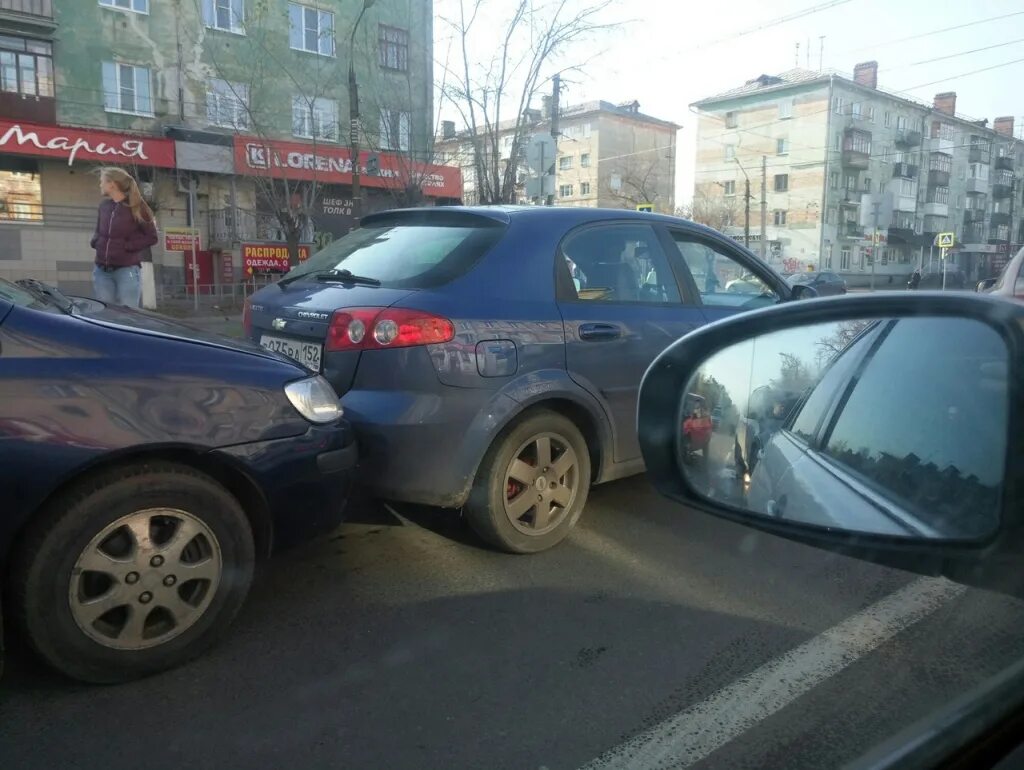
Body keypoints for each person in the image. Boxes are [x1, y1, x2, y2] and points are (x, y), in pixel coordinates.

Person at [91, 167, 158, 307]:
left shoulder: (137, 207)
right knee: (106, 316)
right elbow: (98, 231)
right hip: (101, 271)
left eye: (102, 181)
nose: (100, 185)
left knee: (129, 316)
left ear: (112, 184)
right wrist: (96, 241)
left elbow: (152, 237)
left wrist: (127, 246)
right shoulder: (104, 206)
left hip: (127, 271)